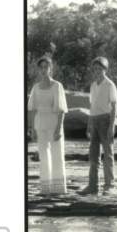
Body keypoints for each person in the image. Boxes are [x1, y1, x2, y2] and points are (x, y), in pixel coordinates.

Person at [27, 54, 68, 196]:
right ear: (39, 70)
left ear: (51, 69)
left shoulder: (57, 86)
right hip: (40, 124)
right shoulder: (36, 87)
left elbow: (61, 110)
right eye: (41, 67)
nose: (44, 70)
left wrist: (59, 129)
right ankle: (45, 188)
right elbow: (32, 109)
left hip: (54, 123)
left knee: (57, 155)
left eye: (46, 67)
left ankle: (58, 189)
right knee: (44, 156)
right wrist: (32, 129)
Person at [80, 55, 117, 195]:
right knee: (93, 155)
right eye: (95, 69)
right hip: (94, 120)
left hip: (106, 120)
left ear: (105, 69)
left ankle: (109, 186)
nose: (97, 71)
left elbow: (114, 107)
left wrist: (112, 126)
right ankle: (92, 186)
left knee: (108, 155)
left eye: (99, 69)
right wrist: (89, 124)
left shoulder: (110, 85)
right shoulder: (93, 85)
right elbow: (92, 106)